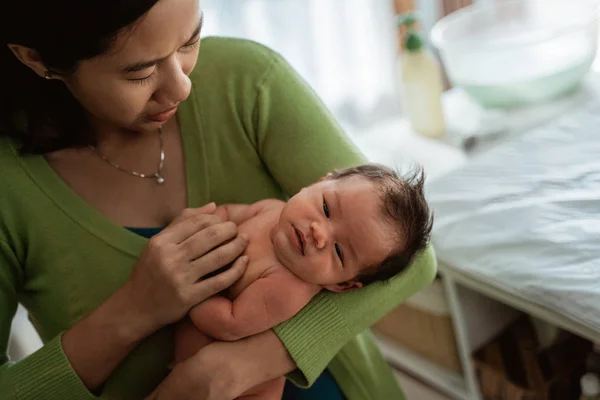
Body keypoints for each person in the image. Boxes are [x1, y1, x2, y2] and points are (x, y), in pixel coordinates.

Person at [0, 1, 437, 399]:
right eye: (140, 72)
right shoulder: (10, 188)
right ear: (36, 59)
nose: (183, 87)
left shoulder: (245, 81)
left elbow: (408, 257)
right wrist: (135, 310)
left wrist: (246, 364)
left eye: (190, 40)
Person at [172, 163, 433, 399]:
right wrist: (202, 223)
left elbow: (229, 323)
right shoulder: (271, 209)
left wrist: (192, 289)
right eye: (327, 209)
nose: (319, 233)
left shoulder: (287, 288)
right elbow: (229, 213)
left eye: (339, 252)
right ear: (319, 182)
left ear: (341, 285)